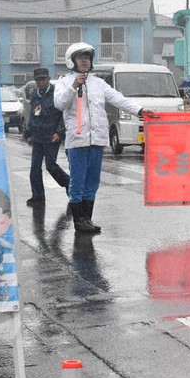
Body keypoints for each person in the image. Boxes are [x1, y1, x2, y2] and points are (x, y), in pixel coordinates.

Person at [53, 42, 145, 234]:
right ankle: (79, 221)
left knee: (92, 181)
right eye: (80, 58)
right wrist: (73, 86)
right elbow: (60, 104)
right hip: (77, 140)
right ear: (72, 61)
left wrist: (140, 111)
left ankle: (87, 218)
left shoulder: (98, 83)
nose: (84, 61)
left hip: (98, 139)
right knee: (77, 181)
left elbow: (118, 99)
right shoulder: (63, 82)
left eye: (87, 58)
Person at [24, 67, 70, 207]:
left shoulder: (56, 93)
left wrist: (59, 132)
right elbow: (32, 115)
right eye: (38, 79)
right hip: (38, 137)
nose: (40, 82)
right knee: (34, 168)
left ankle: (68, 183)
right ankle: (38, 196)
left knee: (51, 166)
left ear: (48, 79)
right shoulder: (35, 96)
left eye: (43, 79)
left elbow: (63, 115)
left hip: (51, 137)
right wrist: (29, 134)